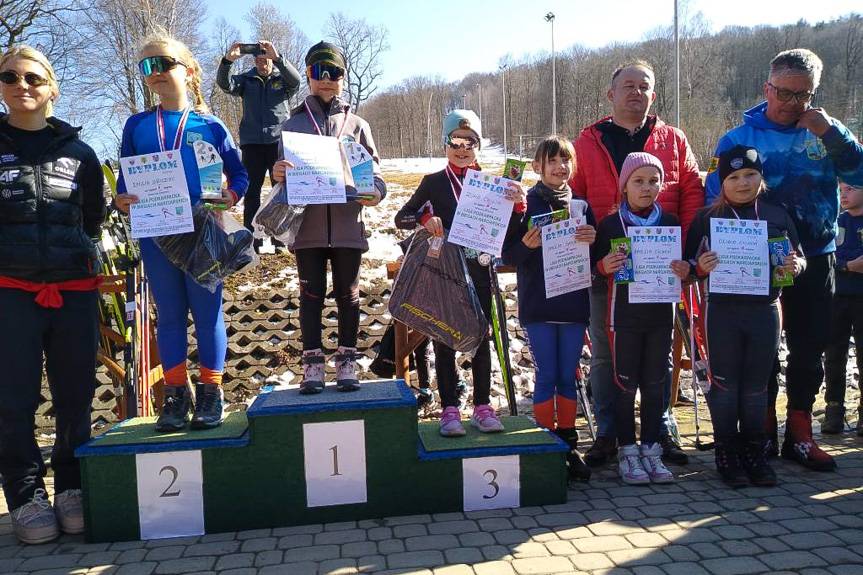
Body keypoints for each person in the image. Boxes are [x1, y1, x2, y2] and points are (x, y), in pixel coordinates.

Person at [705, 49, 863, 471]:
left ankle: (800, 431)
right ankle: (761, 433)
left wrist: (831, 133)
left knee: (810, 347)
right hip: (751, 266)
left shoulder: (826, 131)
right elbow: (711, 199)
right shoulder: (738, 139)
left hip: (816, 256)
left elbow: (859, 174)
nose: (792, 103)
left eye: (803, 95)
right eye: (784, 93)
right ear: (767, 89)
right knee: (761, 350)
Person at [570, 59, 704, 467]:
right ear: (611, 94)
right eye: (627, 85)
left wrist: (686, 253)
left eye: (644, 86)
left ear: (653, 94)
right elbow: (572, 200)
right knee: (608, 354)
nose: (636, 92)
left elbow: (693, 197)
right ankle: (611, 431)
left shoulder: (674, 140)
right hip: (606, 269)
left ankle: (658, 431)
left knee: (660, 353)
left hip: (662, 272)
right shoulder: (587, 142)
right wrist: (589, 258)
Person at [115, 30, 249, 432]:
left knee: (207, 314)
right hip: (158, 234)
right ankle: (175, 394)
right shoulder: (137, 125)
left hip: (204, 232)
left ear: (189, 72)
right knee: (169, 316)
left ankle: (211, 390)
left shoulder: (211, 125)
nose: (153, 72)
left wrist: (233, 194)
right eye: (146, 66)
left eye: (162, 63)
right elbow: (125, 178)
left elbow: (239, 174)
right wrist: (122, 197)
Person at [0, 45, 106, 544]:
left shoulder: (80, 153)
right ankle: (25, 495)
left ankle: (71, 487)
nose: (23, 85)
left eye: (34, 78)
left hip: (72, 289)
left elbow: (91, 218)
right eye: (10, 77)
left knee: (75, 395)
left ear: (52, 87)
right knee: (13, 398)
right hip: (9, 291)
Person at [395, 109, 525, 436]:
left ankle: (483, 406)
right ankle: (449, 409)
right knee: (443, 338)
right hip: (445, 272)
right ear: (445, 144)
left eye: (471, 141)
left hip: (481, 271)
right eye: (456, 140)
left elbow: (511, 234)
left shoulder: (496, 185)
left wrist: (519, 206)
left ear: (479, 146)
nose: (463, 147)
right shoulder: (433, 183)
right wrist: (426, 221)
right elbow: (402, 217)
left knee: (481, 337)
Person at [686, 146, 804, 487]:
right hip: (721, 312)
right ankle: (726, 452)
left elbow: (799, 257)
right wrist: (699, 267)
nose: (742, 183)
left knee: (755, 388)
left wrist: (796, 265)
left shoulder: (776, 215)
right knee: (724, 385)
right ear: (721, 182)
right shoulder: (707, 218)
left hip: (765, 311)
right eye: (733, 177)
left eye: (750, 175)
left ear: (761, 178)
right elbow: (687, 267)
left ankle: (754, 450)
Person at [271, 41, 386, 394]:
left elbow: (376, 176)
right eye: (319, 72)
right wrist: (276, 173)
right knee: (310, 296)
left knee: (349, 295)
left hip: (349, 227)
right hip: (307, 229)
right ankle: (312, 365)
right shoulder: (292, 125)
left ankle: (347, 361)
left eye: (334, 73)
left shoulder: (357, 125)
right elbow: (281, 178)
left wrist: (374, 193)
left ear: (342, 77)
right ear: (308, 75)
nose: (327, 80)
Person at [502, 136, 595, 481]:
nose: (560, 167)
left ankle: (569, 446)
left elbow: (598, 257)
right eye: (552, 161)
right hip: (539, 304)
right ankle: (544, 445)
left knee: (568, 376)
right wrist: (525, 246)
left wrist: (593, 238)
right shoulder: (525, 204)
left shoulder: (582, 206)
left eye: (566, 160)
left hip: (573, 304)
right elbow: (507, 254)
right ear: (538, 166)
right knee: (547, 375)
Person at [593, 152, 690, 485]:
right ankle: (627, 452)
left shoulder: (671, 222)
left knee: (654, 384)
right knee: (624, 385)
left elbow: (687, 267)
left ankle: (651, 449)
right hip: (624, 319)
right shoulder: (610, 225)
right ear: (624, 187)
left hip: (661, 315)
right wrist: (602, 267)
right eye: (638, 181)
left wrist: (685, 268)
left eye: (653, 181)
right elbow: (594, 269)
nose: (647, 188)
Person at [216, 40, 300, 249]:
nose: (263, 61)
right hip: (252, 143)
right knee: (252, 192)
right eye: (259, 58)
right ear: (254, 60)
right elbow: (225, 85)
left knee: (279, 191)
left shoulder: (282, 81)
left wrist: (279, 59)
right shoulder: (247, 80)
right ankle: (252, 240)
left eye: (266, 57)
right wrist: (228, 61)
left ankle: (279, 238)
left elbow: (296, 81)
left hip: (277, 143)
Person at [823, 180, 863, 436]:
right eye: (841, 190)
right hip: (837, 298)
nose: (844, 195)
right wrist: (849, 266)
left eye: (850, 189)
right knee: (834, 356)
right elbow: (828, 258)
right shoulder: (835, 221)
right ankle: (833, 410)